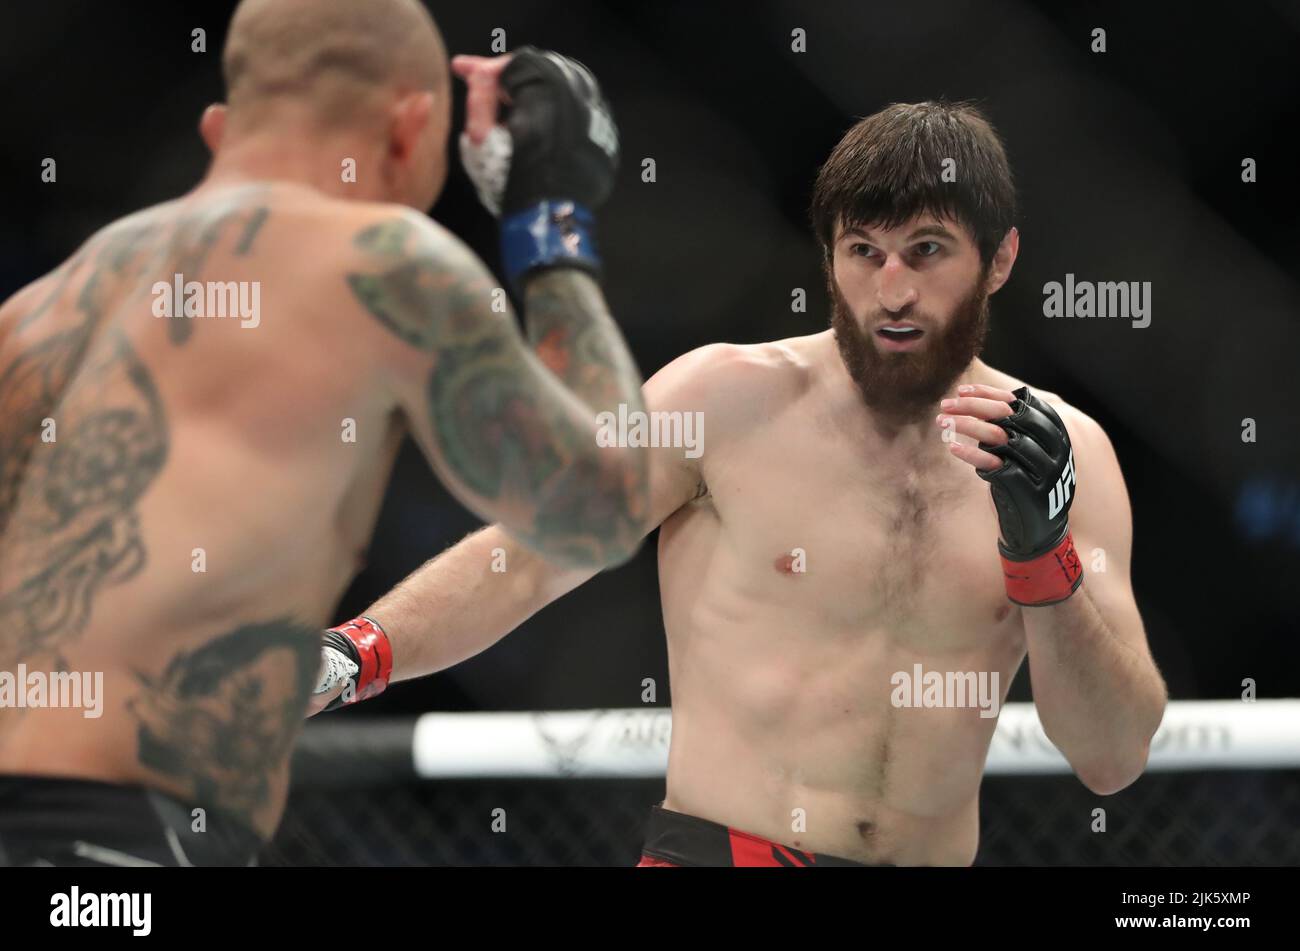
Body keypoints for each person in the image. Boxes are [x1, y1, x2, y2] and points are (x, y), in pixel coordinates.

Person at [313, 97, 1168, 867]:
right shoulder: (722, 400)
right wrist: (353, 655)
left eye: (926, 251)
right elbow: (532, 558)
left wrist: (1042, 558)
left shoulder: (1066, 454)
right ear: (828, 257)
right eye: (864, 252)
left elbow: (1112, 756)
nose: (892, 291)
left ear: (1000, 258)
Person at [0, 0, 648, 866]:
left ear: (219, 126)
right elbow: (601, 509)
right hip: (121, 838)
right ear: (409, 129)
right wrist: (552, 220)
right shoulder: (382, 259)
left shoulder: (35, 314)